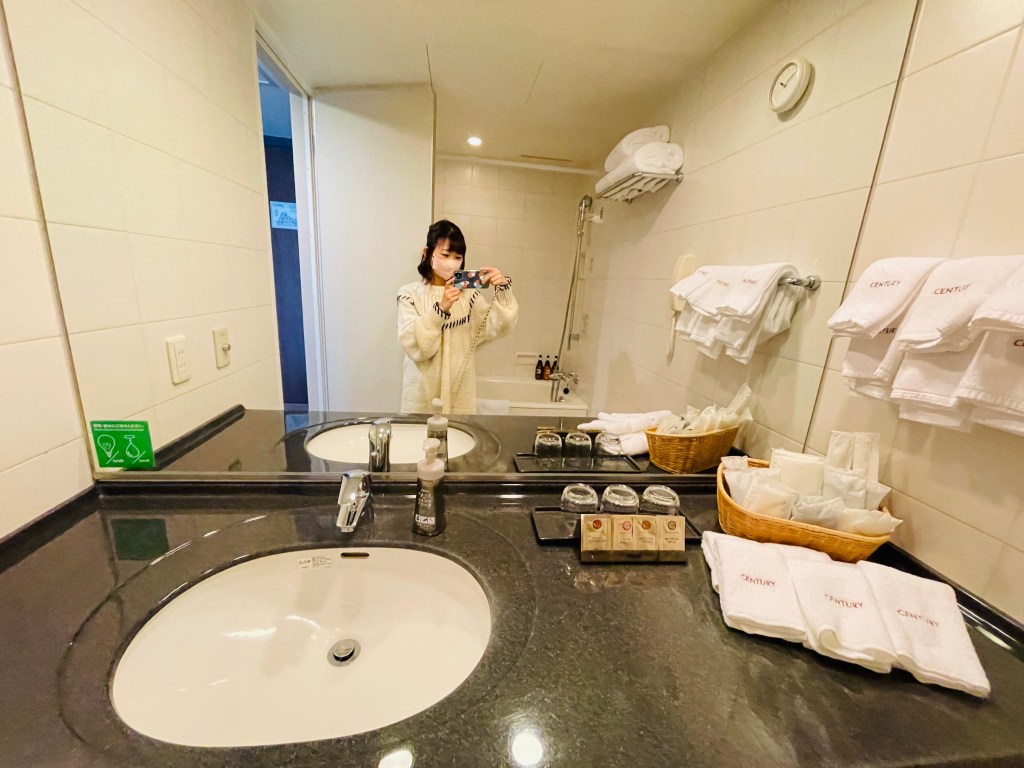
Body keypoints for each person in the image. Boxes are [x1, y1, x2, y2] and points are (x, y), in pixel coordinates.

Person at [397, 219, 518, 414]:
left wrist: (503, 290)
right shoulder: (409, 294)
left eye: (458, 257)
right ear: (427, 253)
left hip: (459, 397)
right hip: (421, 398)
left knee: (459, 434)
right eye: (445, 255)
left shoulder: (468, 296)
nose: (451, 263)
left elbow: (499, 326)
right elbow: (417, 347)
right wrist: (441, 309)